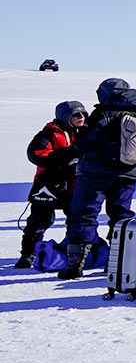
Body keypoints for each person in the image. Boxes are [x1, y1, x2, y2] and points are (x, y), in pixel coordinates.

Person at [60, 78, 136, 280]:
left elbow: (86, 142)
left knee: (84, 214)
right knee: (121, 214)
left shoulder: (102, 114)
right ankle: (118, 262)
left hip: (95, 174)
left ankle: (75, 265)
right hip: (130, 174)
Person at [19, 101, 85, 268]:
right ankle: (28, 253)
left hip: (74, 185)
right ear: (65, 117)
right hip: (48, 185)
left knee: (76, 219)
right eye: (76, 114)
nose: (81, 117)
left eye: (83, 113)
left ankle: (74, 253)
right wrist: (67, 156)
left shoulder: (86, 132)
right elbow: (36, 154)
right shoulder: (50, 133)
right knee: (39, 220)